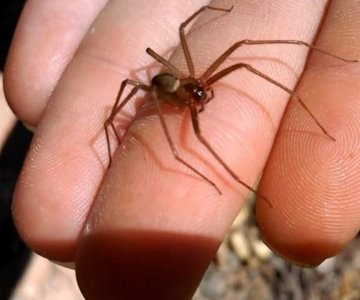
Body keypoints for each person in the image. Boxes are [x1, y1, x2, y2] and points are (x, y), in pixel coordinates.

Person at [4, 1, 360, 299]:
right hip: (167, 89)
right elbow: (151, 102)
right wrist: (138, 134)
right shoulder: (174, 98)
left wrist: (221, 9)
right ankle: (239, 182)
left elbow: (211, 39)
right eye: (200, 95)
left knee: (244, 53)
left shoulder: (199, 79)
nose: (203, 97)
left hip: (182, 81)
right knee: (152, 101)